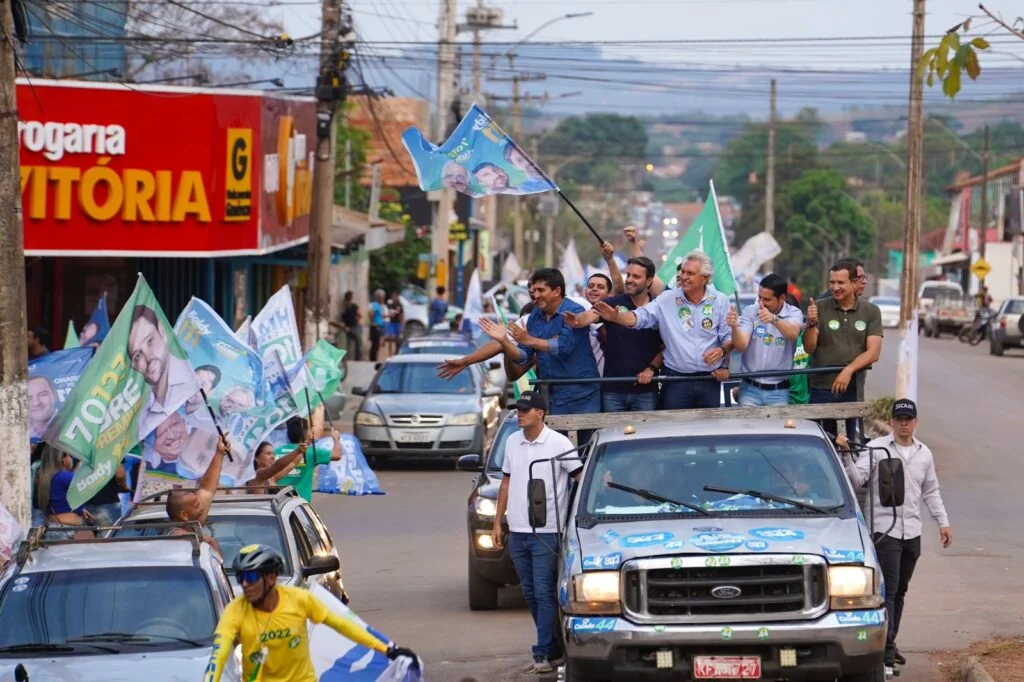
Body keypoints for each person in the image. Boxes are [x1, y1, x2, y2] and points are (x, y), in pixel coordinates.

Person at [839, 399, 951, 669]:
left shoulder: (924, 454)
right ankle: (885, 656)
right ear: (891, 422)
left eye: (908, 419)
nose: (904, 423)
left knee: (900, 591)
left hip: (912, 530)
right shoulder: (876, 449)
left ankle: (890, 642)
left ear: (916, 422)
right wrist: (845, 454)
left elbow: (931, 492)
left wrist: (943, 522)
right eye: (899, 419)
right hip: (884, 530)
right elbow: (856, 480)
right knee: (887, 591)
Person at [204, 544, 419, 682]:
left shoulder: (299, 599)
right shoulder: (236, 610)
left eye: (250, 578)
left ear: (271, 578)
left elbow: (342, 625)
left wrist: (387, 649)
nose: (244, 585)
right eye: (241, 577)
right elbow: (219, 653)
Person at [492, 391, 581, 675]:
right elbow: (505, 483)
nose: (519, 413)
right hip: (517, 531)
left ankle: (541, 652)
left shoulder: (558, 443)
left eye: (525, 410)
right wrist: (497, 522)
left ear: (540, 413)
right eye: (518, 409)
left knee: (544, 592)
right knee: (530, 593)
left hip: (547, 531)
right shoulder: (511, 441)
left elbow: (579, 477)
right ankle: (555, 649)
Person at [592, 251, 732, 410]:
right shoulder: (667, 299)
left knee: (708, 431)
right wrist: (617, 318)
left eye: (690, 273)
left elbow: (728, 338)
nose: (684, 277)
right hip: (676, 381)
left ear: (705, 278)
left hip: (710, 381)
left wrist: (722, 356)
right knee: (673, 431)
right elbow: (641, 316)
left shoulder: (720, 301)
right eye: (683, 272)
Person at [481, 268, 601, 434]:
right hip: (553, 397)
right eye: (533, 291)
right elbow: (523, 357)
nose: (535, 296)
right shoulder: (535, 317)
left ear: (557, 291)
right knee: (559, 450)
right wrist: (504, 342)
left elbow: (563, 346)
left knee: (587, 448)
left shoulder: (574, 311)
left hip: (583, 394)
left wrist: (529, 340)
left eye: (540, 290)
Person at [564, 257, 664, 412]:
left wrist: (651, 368)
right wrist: (577, 321)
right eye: (628, 275)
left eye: (636, 276)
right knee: (611, 435)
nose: (629, 280)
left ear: (649, 280)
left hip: (646, 392)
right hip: (612, 391)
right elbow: (591, 315)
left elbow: (665, 347)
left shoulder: (660, 308)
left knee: (646, 436)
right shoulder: (613, 303)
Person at [805, 261, 883, 441]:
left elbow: (873, 353)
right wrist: (811, 324)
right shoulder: (819, 307)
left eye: (841, 283)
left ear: (855, 283)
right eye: (832, 282)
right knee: (818, 441)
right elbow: (809, 347)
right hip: (820, 388)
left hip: (851, 388)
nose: (835, 287)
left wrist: (847, 371)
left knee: (846, 443)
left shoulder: (871, 311)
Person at [727, 274, 804, 407]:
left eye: (767, 299)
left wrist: (774, 319)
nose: (761, 303)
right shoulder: (750, 311)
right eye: (760, 297)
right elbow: (741, 346)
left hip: (779, 391)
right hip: (749, 390)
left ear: (782, 298)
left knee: (778, 428)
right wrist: (734, 327)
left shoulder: (794, 312)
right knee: (747, 427)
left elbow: (793, 334)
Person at [130, 305, 199, 441]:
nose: (147, 357)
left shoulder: (194, 386)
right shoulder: (137, 409)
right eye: (137, 355)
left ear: (161, 331)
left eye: (149, 341)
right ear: (133, 365)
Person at [164, 433, 231, 555]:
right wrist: (207, 540)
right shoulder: (173, 535)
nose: (201, 507)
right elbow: (181, 537)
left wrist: (220, 453)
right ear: (184, 515)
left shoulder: (194, 523)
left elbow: (206, 489)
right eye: (196, 505)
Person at [274, 415, 342, 502]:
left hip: (279, 502)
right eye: (309, 428)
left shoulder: (276, 452)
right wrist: (336, 439)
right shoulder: (311, 452)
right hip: (300, 504)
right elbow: (337, 455)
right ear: (305, 433)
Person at [34, 445, 95, 538]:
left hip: (54, 526)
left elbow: (60, 500)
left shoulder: (44, 477)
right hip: (68, 529)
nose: (71, 459)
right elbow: (88, 487)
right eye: (69, 455)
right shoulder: (65, 476)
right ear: (61, 458)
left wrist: (81, 510)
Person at [27, 375, 57, 442]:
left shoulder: (71, 425)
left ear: (54, 395)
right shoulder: (15, 434)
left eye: (43, 394)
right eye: (28, 398)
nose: (36, 403)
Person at [341, 291, 364, 361]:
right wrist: (357, 319)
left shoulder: (344, 307)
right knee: (358, 344)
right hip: (355, 327)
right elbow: (360, 315)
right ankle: (358, 359)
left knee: (349, 345)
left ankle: (349, 359)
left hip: (349, 327)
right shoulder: (353, 306)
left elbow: (343, 319)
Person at [368, 289, 386, 362]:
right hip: (376, 326)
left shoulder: (379, 305)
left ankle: (374, 358)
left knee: (377, 344)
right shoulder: (375, 305)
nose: (383, 298)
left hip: (379, 326)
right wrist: (372, 322)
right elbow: (371, 313)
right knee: (375, 344)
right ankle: (373, 359)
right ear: (378, 297)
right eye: (382, 297)